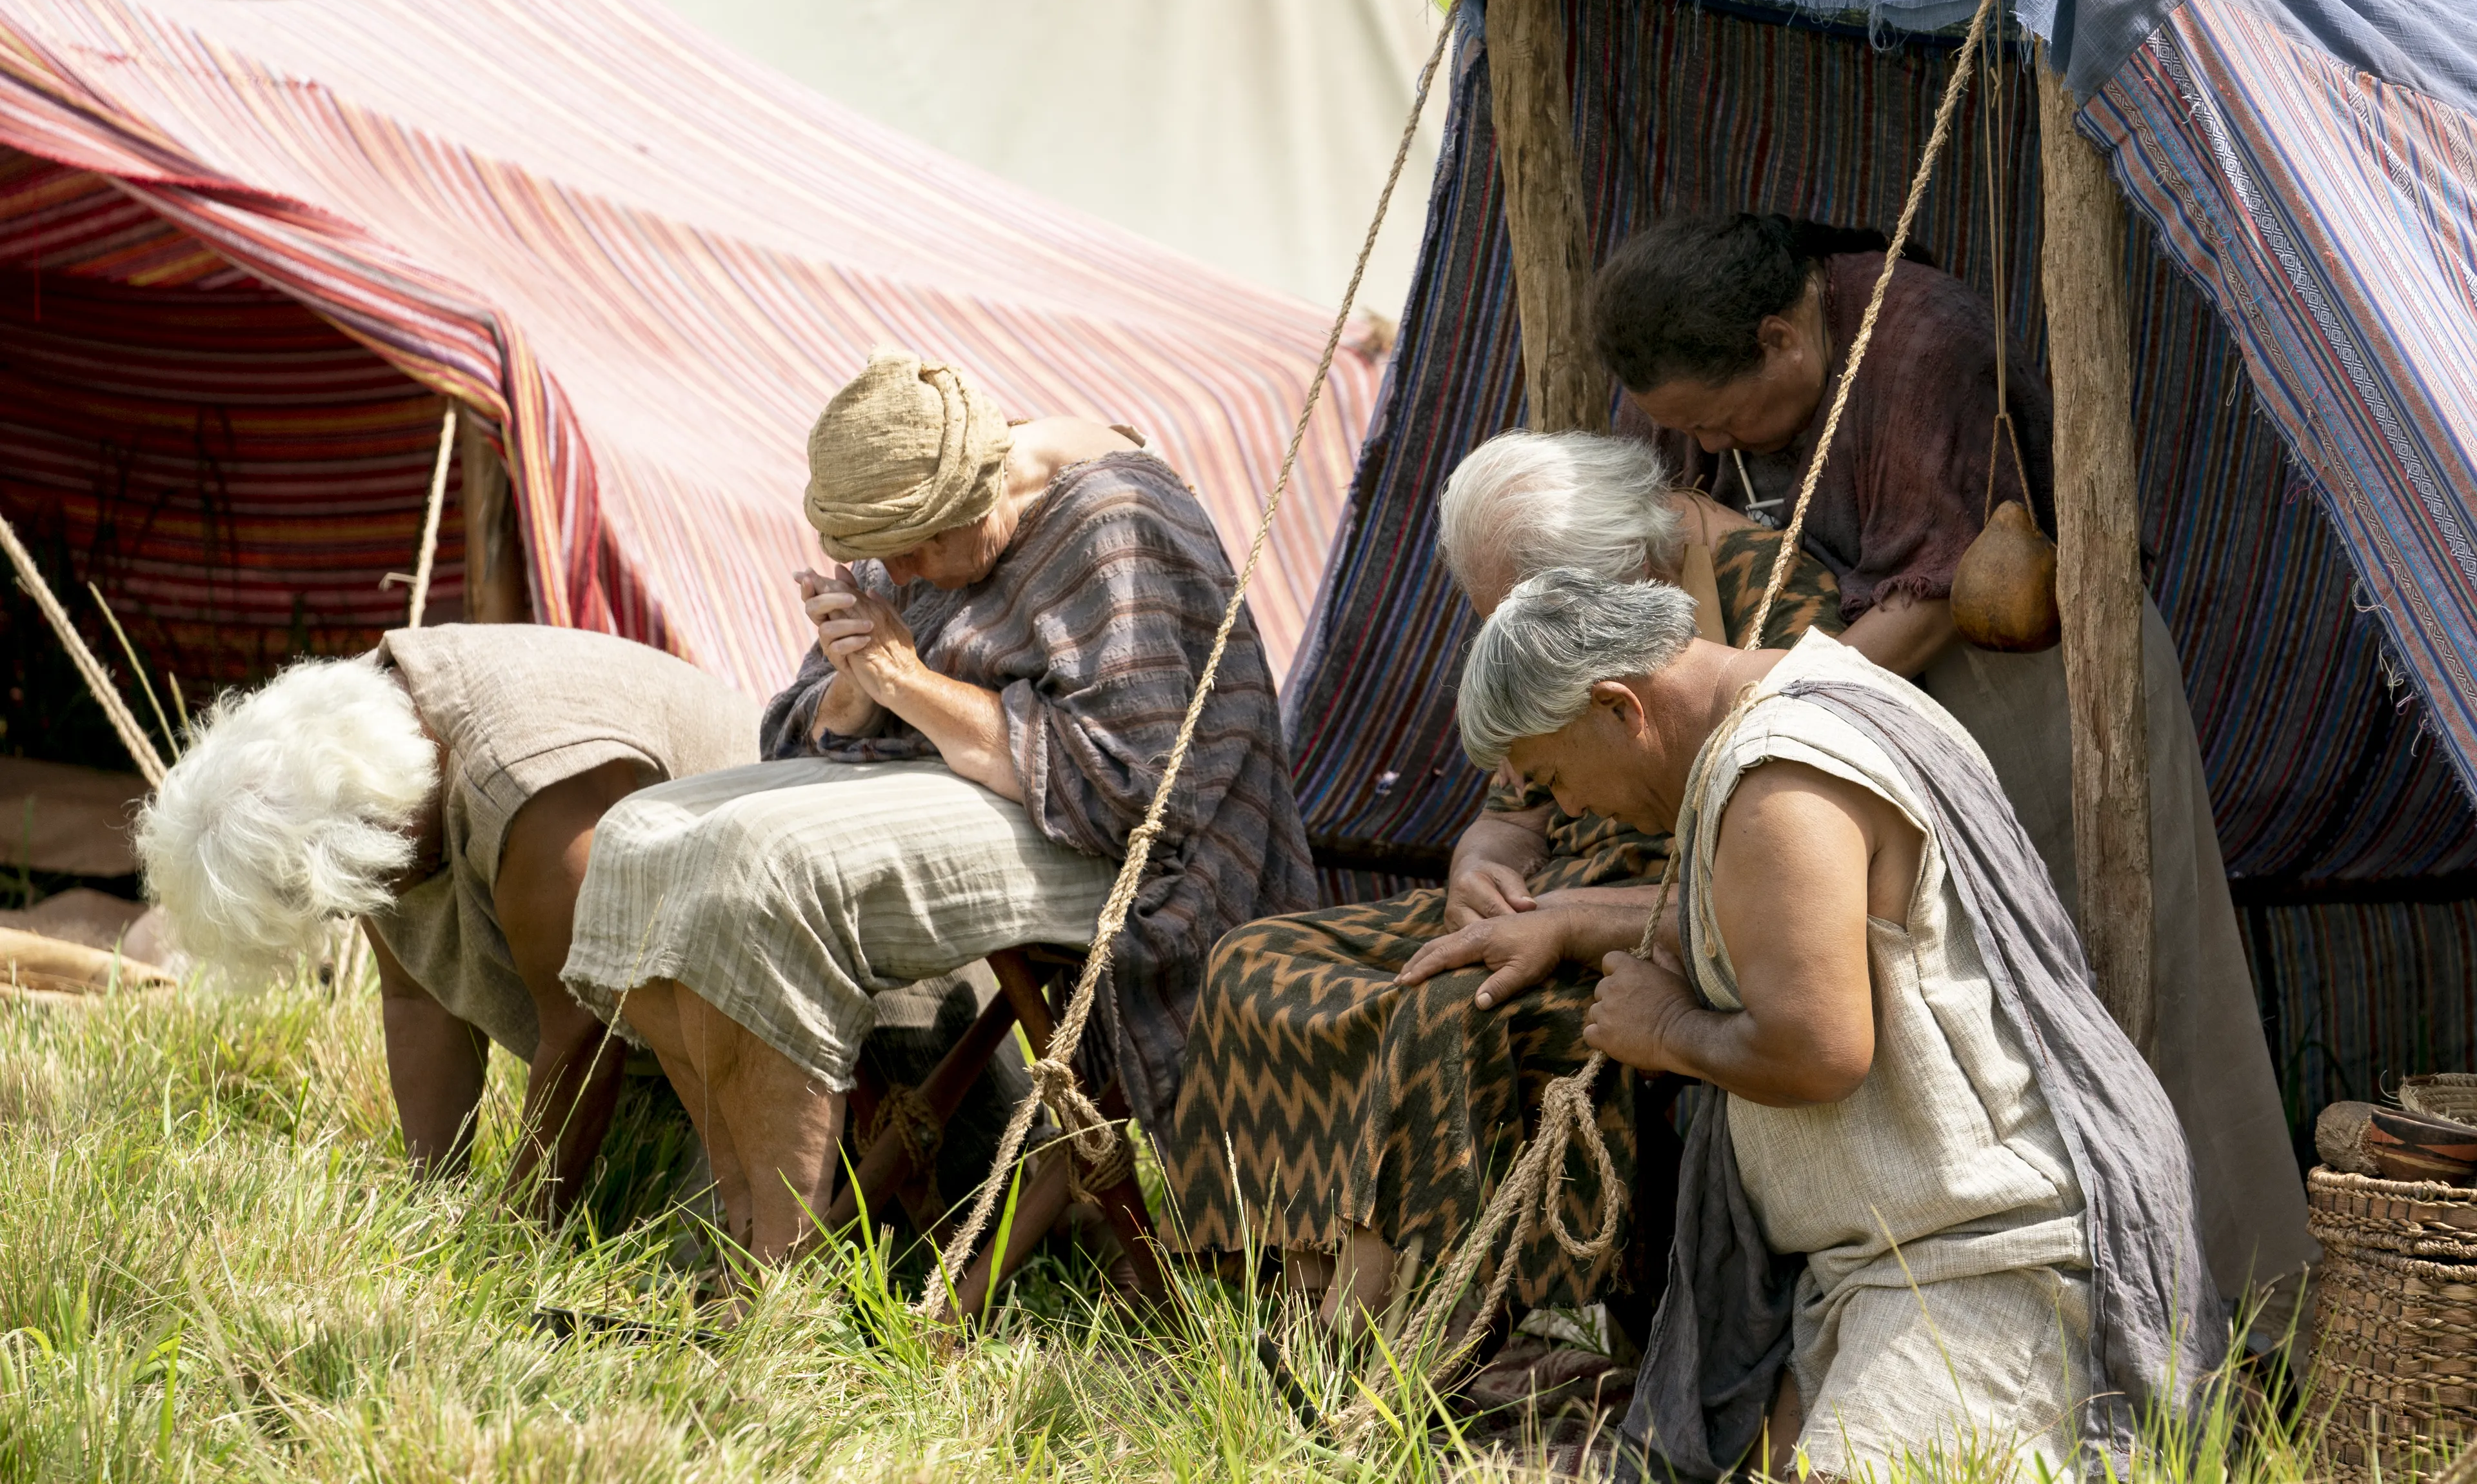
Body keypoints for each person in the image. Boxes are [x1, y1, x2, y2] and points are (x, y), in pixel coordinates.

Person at [1595, 212, 2313, 1311]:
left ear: (1783, 339)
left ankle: (2240, 1313)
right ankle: (2049, 1309)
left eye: (1718, 419)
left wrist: (1762, 714)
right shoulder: (1684, 377)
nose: (1708, 441)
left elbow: (1937, 599)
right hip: (1865, 706)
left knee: (2134, 985)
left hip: (2038, 689)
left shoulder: (1925, 338)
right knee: (1964, 1012)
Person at [562, 345, 1313, 1267]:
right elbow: (804, 735)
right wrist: (855, 683)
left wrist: (908, 682)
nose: (902, 572)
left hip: (1134, 858)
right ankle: (744, 1217)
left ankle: (778, 1275)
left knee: (765, 861)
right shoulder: (911, 514)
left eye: (916, 547)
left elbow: (1133, 789)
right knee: (639, 835)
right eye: (882, 555)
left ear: (983, 487)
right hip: (979, 800)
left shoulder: (1113, 524)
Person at [1460, 569, 2220, 1480]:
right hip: (1891, 1258)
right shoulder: (1828, 685)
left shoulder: (1780, 782)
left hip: (1990, 1255)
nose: (1572, 809)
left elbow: (1817, 1051)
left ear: (1619, 707)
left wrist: (1664, 1028)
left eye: (1553, 776)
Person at [1164, 431, 1845, 1336]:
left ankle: (1410, 1320)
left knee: (1448, 1004)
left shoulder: (1769, 599)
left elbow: (1779, 893)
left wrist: (1571, 922)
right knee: (1258, 961)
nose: (1510, 627)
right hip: (1549, 894)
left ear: (1622, 571)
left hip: (1667, 917)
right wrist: (1479, 869)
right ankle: (1297, 1280)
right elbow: (1513, 809)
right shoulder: (1546, 634)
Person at [134, 624, 760, 1215]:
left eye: (326, 901)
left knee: (695, 1243)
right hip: (664, 1028)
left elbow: (585, 1026)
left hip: (761, 1001)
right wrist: (432, 1204)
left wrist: (517, 1237)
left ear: (364, 831)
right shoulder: (348, 738)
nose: (341, 915)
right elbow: (417, 995)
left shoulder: (520, 784)